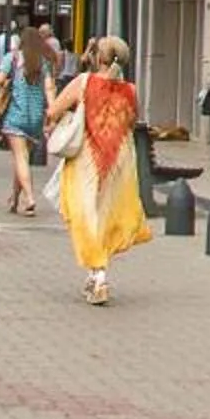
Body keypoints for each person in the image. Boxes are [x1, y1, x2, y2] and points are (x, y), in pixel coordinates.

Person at [42, 36, 152, 305]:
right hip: (120, 159)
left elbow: (53, 111)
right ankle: (96, 273)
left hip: (88, 157)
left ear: (98, 58)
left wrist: (50, 93)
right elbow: (132, 121)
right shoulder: (130, 90)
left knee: (85, 213)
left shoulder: (84, 82)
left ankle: (99, 275)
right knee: (107, 213)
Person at [0, 19, 60, 217]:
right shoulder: (43, 63)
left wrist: (7, 80)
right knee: (22, 158)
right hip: (35, 119)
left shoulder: (13, 58)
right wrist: (52, 113)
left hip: (16, 115)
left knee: (20, 158)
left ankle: (30, 198)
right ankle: (15, 199)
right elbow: (49, 89)